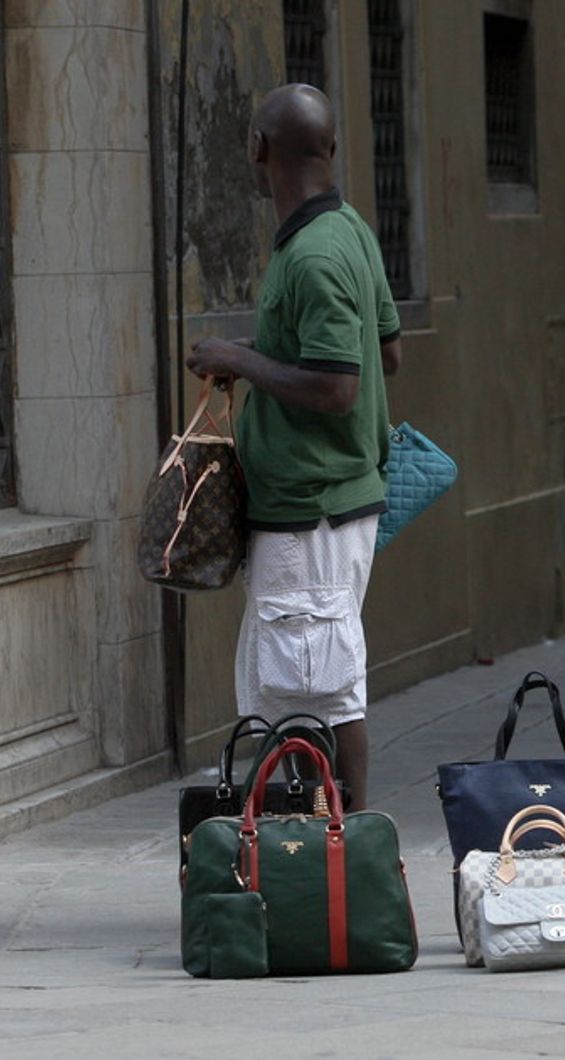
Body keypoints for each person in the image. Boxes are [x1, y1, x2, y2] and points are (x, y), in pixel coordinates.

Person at [186, 84, 402, 811]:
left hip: (313, 512)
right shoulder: (351, 232)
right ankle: (322, 842)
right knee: (296, 688)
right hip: (314, 508)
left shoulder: (314, 256)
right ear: (332, 150)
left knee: (320, 688)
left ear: (256, 150)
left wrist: (243, 361)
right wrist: (262, 350)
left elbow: (339, 386)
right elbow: (387, 354)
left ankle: (347, 845)